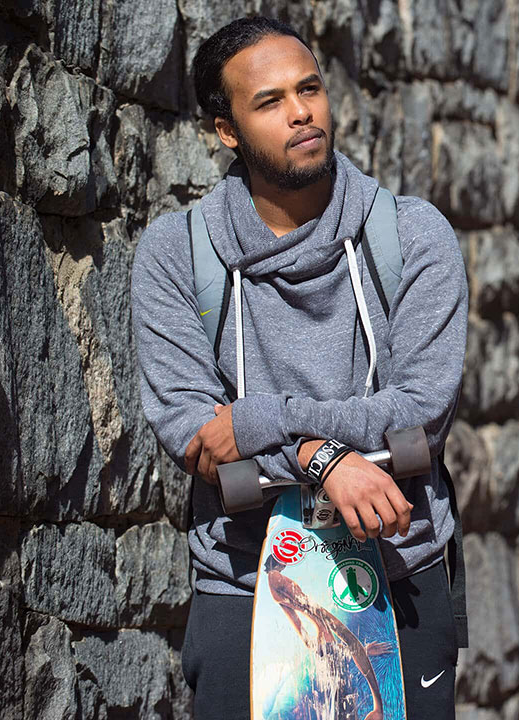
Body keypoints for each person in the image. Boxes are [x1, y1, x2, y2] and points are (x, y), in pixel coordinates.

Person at [130, 16, 467, 720]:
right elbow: (198, 443)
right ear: (226, 131)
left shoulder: (412, 235)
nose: (301, 111)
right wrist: (326, 459)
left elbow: (419, 418)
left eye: (309, 88)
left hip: (399, 569)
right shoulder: (175, 255)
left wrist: (263, 424)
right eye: (270, 101)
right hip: (244, 583)